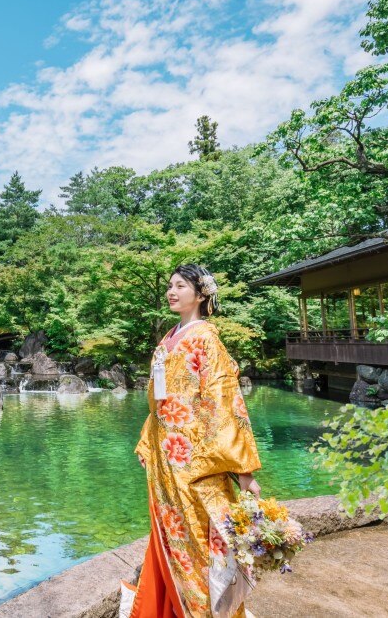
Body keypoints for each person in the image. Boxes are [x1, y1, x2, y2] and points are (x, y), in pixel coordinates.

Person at [119, 263, 261, 618]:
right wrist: (147, 443)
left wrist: (243, 470)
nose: (171, 291)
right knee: (168, 535)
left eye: (180, 286)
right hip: (166, 458)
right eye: (170, 285)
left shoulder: (205, 338)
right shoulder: (168, 338)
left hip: (195, 460)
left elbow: (224, 403)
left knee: (198, 542)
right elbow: (158, 403)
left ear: (201, 294)